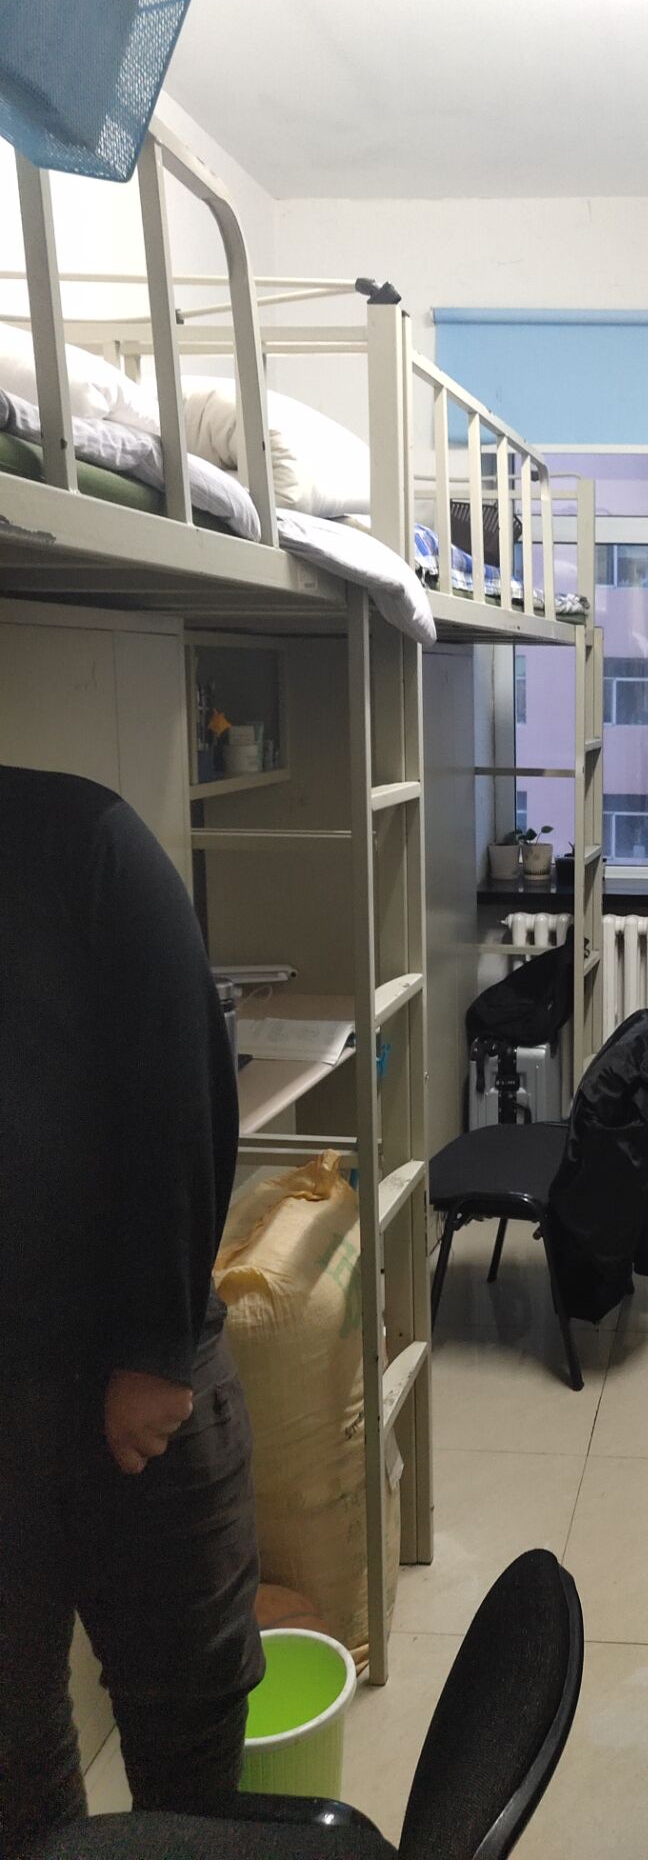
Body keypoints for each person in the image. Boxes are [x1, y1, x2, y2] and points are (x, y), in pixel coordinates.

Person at [0, 767, 262, 1852]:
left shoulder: (80, 837)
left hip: (135, 1384)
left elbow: (184, 1089)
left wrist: (154, 1353)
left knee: (187, 1721)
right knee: (13, 1749)